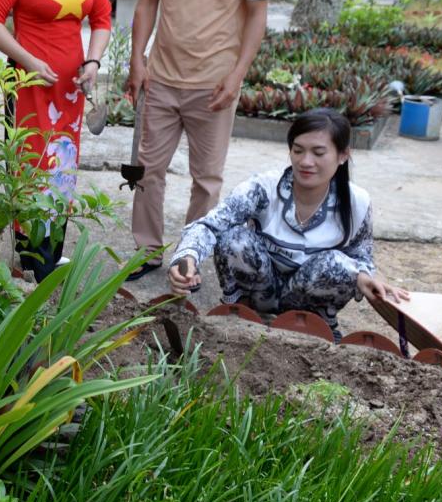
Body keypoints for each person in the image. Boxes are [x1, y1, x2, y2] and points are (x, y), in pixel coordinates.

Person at [126, 0, 275, 280]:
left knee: (207, 179)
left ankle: (190, 254)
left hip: (214, 85)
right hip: (161, 77)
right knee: (146, 169)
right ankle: (145, 251)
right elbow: (148, 2)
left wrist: (237, 74)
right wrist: (138, 60)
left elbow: (257, 16)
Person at [167, 108, 408, 340]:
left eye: (319, 152)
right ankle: (241, 311)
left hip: (309, 300)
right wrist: (187, 257)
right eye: (298, 150)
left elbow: (361, 258)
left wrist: (365, 278)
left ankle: (315, 323)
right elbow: (211, 225)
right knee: (235, 239)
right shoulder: (264, 187)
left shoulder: (357, 203)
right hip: (260, 289)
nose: (306, 161)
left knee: (338, 264)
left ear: (343, 155)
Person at [0, 0, 113, 281]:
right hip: (27, 87)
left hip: (70, 88)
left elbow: (102, 20)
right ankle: (32, 259)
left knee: (63, 165)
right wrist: (29, 61)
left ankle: (51, 253)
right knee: (30, 166)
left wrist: (93, 61)